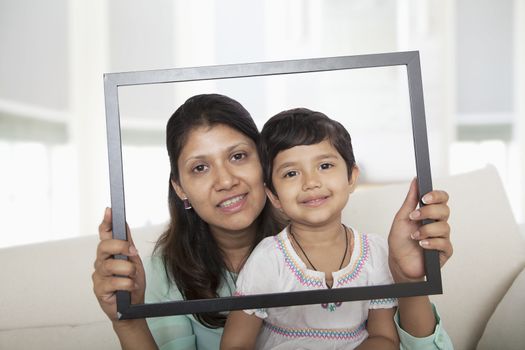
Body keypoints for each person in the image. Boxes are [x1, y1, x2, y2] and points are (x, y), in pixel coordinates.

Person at [92, 95, 453, 350]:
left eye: (238, 156)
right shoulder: (166, 273)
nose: (226, 180)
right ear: (180, 188)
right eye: (200, 167)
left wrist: (410, 282)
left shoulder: (360, 247)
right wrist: (128, 319)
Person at [221, 108, 453, 350]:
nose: (311, 182)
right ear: (274, 196)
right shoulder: (268, 259)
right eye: (291, 173)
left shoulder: (375, 253)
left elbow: (384, 338)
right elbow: (235, 345)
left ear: (351, 177)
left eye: (324, 166)